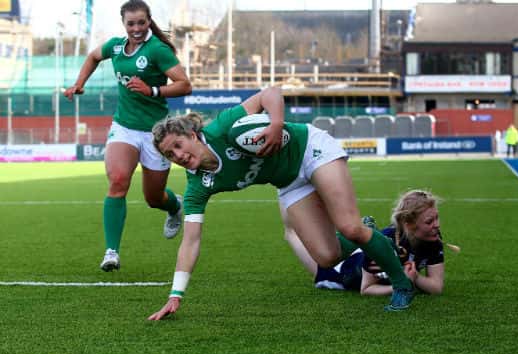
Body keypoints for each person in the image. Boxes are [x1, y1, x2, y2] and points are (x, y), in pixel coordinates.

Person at [147, 87, 416, 320]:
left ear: (193, 135)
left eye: (179, 145)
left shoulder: (223, 128)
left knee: (349, 227)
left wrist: (275, 124)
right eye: (170, 154)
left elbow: (270, 93)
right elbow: (190, 241)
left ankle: (402, 285)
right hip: (289, 181)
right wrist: (176, 295)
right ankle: (367, 233)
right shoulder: (196, 186)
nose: (178, 155)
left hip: (310, 150)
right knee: (327, 256)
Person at [63, 0, 192, 272]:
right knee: (118, 180)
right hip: (124, 126)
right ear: (124, 23)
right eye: (130, 23)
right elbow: (93, 57)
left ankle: (173, 206)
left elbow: (185, 85)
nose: (136, 28)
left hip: (157, 133)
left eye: (141, 23)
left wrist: (152, 90)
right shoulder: (116, 46)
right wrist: (79, 84)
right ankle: (111, 252)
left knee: (153, 198)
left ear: (148, 22)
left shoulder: (157, 50)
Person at [287, 190, 460, 297]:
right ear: (408, 225)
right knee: (292, 233)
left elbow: (436, 287)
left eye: (436, 218)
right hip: (338, 271)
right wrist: (400, 285)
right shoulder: (384, 240)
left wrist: (416, 279)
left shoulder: (433, 238)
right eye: (429, 221)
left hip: (357, 254)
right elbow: (367, 289)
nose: (436, 225)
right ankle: (287, 191)